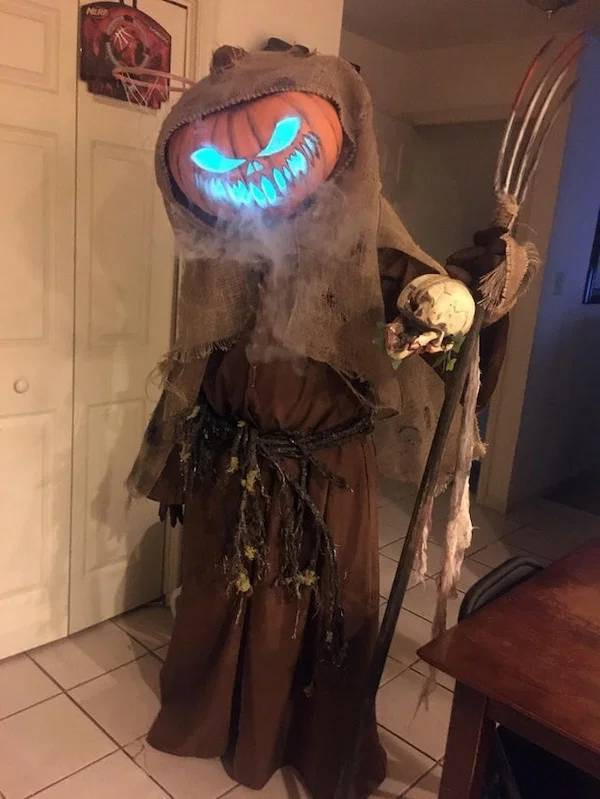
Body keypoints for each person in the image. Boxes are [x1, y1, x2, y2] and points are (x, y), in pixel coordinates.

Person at [127, 43, 533, 799]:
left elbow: (437, 312)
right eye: (217, 150)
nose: (247, 160)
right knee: (219, 593)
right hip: (230, 457)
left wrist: (474, 289)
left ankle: (303, 742)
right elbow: (199, 358)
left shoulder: (365, 236)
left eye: (278, 135)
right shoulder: (222, 245)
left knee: (310, 609)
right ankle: (212, 719)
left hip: (323, 470)